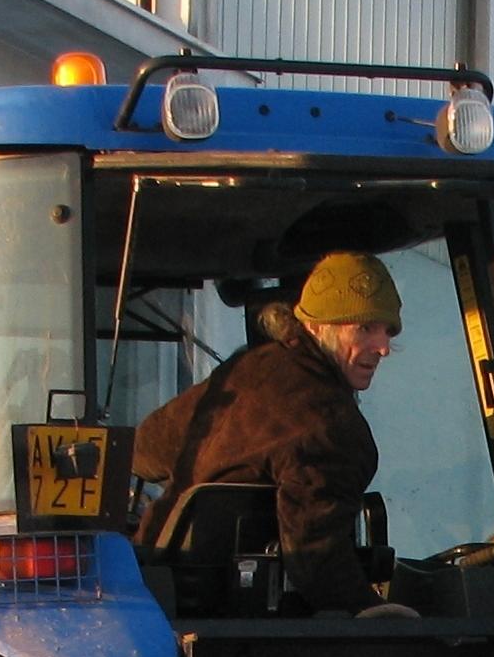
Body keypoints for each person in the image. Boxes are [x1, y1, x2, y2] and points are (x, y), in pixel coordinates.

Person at [133, 251, 401, 613]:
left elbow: (145, 450)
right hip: (243, 620)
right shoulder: (331, 423)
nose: (383, 348)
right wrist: (376, 613)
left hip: (154, 590)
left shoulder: (246, 369)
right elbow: (315, 559)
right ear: (318, 326)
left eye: (388, 331)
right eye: (364, 328)